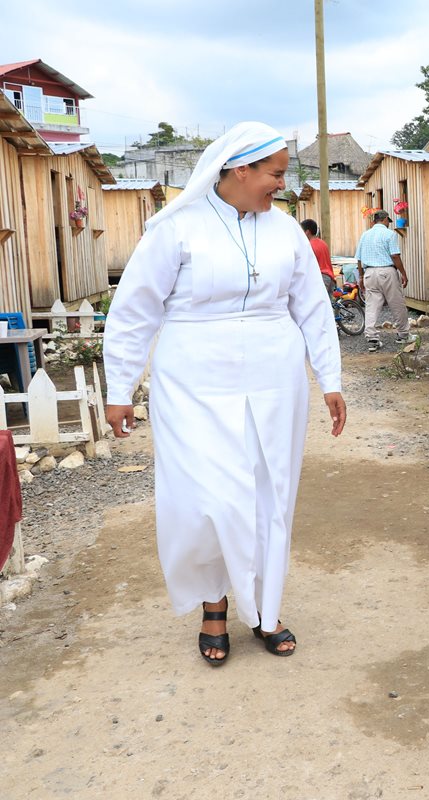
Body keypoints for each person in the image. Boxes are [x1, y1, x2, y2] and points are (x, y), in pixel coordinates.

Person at [102, 122, 345, 666]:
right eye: (276, 174)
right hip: (192, 382)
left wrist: (330, 378)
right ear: (240, 170)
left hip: (274, 378)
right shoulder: (176, 229)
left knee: (268, 491)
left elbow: (312, 308)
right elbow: (135, 310)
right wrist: (120, 387)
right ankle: (214, 604)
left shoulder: (285, 233)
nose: (282, 185)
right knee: (204, 499)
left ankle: (264, 607)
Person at [355, 210, 413, 352]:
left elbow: (359, 259)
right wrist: (403, 273)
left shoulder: (364, 235)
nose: (388, 224)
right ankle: (403, 334)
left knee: (371, 305)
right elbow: (395, 256)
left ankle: (372, 337)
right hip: (386, 271)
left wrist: (361, 277)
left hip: (369, 273)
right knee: (396, 302)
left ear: (374, 221)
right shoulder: (389, 234)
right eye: (388, 221)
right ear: (385, 219)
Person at [300, 218, 336, 297]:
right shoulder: (323, 243)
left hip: (320, 278)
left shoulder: (309, 246)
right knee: (326, 306)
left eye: (301, 231)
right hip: (330, 278)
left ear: (307, 232)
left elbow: (306, 266)